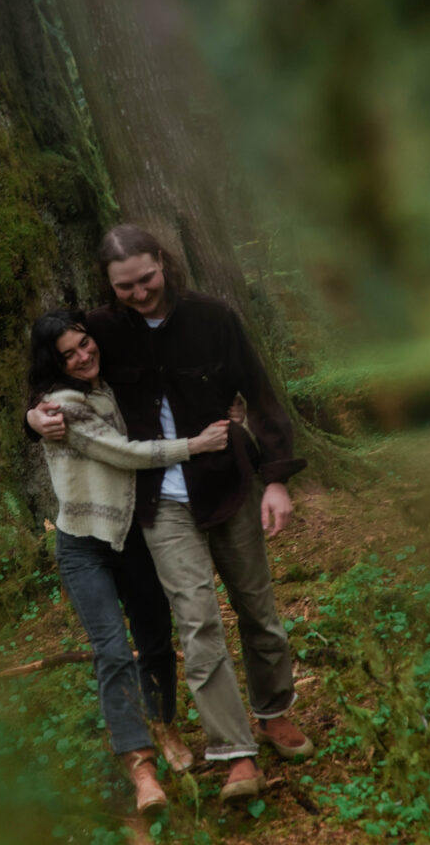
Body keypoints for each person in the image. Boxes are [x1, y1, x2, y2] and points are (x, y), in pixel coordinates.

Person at [27, 224, 313, 802]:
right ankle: (234, 753)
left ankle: (274, 710)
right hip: (158, 502)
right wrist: (33, 417)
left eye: (147, 278)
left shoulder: (214, 318)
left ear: (164, 262)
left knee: (257, 609)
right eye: (124, 286)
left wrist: (277, 480)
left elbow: (260, 395)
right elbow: (55, 372)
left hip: (228, 486)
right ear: (109, 286)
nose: (139, 293)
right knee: (197, 621)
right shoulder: (101, 330)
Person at [28, 308, 232, 814]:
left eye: (84, 344)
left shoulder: (110, 384)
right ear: (53, 363)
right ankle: (140, 764)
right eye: (68, 354)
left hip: (132, 535)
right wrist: (195, 445)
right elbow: (123, 453)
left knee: (156, 641)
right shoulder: (61, 406)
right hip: (83, 546)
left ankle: (163, 726)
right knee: (113, 650)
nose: (82, 356)